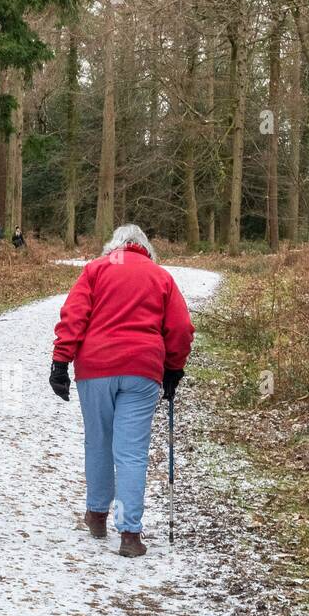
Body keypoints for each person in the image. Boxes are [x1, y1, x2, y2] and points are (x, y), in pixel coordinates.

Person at [49, 224, 193, 557]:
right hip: (142, 370)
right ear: (145, 248)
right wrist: (174, 368)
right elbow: (181, 328)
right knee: (131, 452)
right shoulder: (160, 277)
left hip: (95, 368)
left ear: (113, 246)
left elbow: (74, 316)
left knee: (98, 440)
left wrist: (60, 361)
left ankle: (97, 515)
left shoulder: (96, 270)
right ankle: (130, 534)